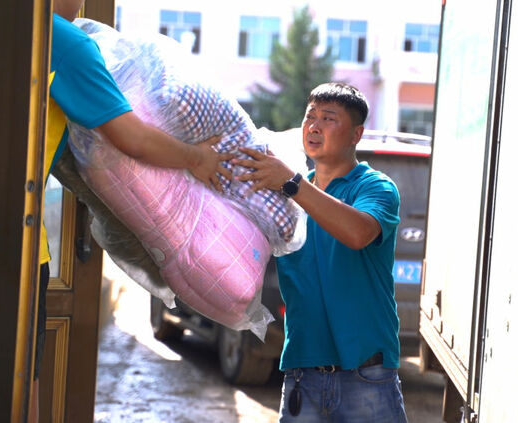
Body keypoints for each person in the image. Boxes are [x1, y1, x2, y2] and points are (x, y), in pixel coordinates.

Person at [29, 1, 230, 421]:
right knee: (21, 378)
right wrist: (197, 158)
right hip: (13, 249)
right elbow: (130, 136)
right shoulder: (63, 43)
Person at [232, 82, 408, 422]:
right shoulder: (284, 194)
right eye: (310, 116)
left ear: (356, 135)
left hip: (366, 376)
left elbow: (358, 232)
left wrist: (293, 184)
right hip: (303, 375)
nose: (313, 125)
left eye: (328, 118)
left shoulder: (374, 187)